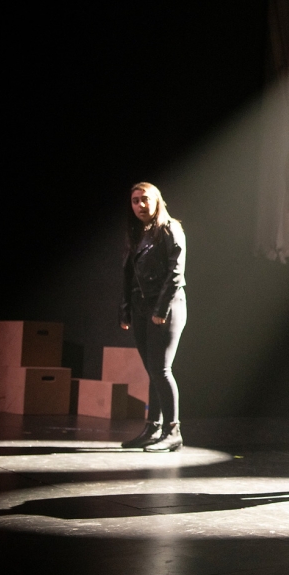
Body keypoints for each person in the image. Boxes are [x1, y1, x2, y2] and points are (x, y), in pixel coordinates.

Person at [119, 182, 188, 452]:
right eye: (135, 201)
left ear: (157, 201)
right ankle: (153, 427)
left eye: (145, 199)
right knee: (152, 370)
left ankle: (173, 431)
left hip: (167, 308)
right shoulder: (136, 234)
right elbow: (127, 274)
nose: (140, 206)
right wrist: (125, 311)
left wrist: (161, 310)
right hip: (140, 309)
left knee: (160, 369)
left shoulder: (170, 228)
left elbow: (176, 272)